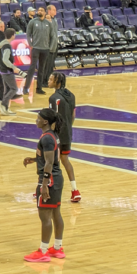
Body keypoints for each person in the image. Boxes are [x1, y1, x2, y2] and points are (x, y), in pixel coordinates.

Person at [22, 107, 65, 262]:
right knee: (55, 214)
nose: (36, 120)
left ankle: (43, 251)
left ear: (45, 121)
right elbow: (50, 157)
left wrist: (45, 184)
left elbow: (49, 162)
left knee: (45, 216)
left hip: (50, 179)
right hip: (58, 177)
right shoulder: (52, 136)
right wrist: (34, 159)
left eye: (38, 118)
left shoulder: (46, 138)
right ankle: (58, 249)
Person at [48, 72, 80, 203]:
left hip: (56, 134)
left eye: (51, 79)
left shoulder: (53, 98)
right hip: (67, 133)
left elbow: (53, 118)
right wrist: (68, 129)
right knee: (65, 160)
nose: (48, 81)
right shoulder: (71, 95)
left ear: (57, 82)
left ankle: (45, 188)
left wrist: (51, 134)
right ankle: (75, 190)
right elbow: (73, 116)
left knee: (49, 161)